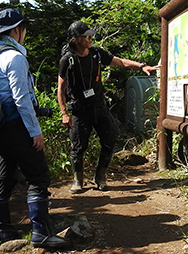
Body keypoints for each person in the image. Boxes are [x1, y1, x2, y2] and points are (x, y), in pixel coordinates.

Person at [0, 8, 70, 249]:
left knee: (3, 173)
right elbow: (21, 98)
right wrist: (35, 131)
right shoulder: (14, 57)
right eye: (24, 28)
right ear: (16, 30)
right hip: (16, 125)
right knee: (38, 174)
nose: (25, 33)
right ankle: (41, 233)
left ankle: (3, 228)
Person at [57, 20, 159, 193]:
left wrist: (141, 65)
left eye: (91, 35)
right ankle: (78, 180)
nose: (91, 38)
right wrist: (64, 113)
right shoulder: (68, 60)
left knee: (110, 138)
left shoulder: (97, 53)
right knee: (79, 146)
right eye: (87, 36)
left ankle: (100, 177)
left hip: (99, 106)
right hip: (79, 109)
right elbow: (60, 88)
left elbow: (119, 62)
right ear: (76, 39)